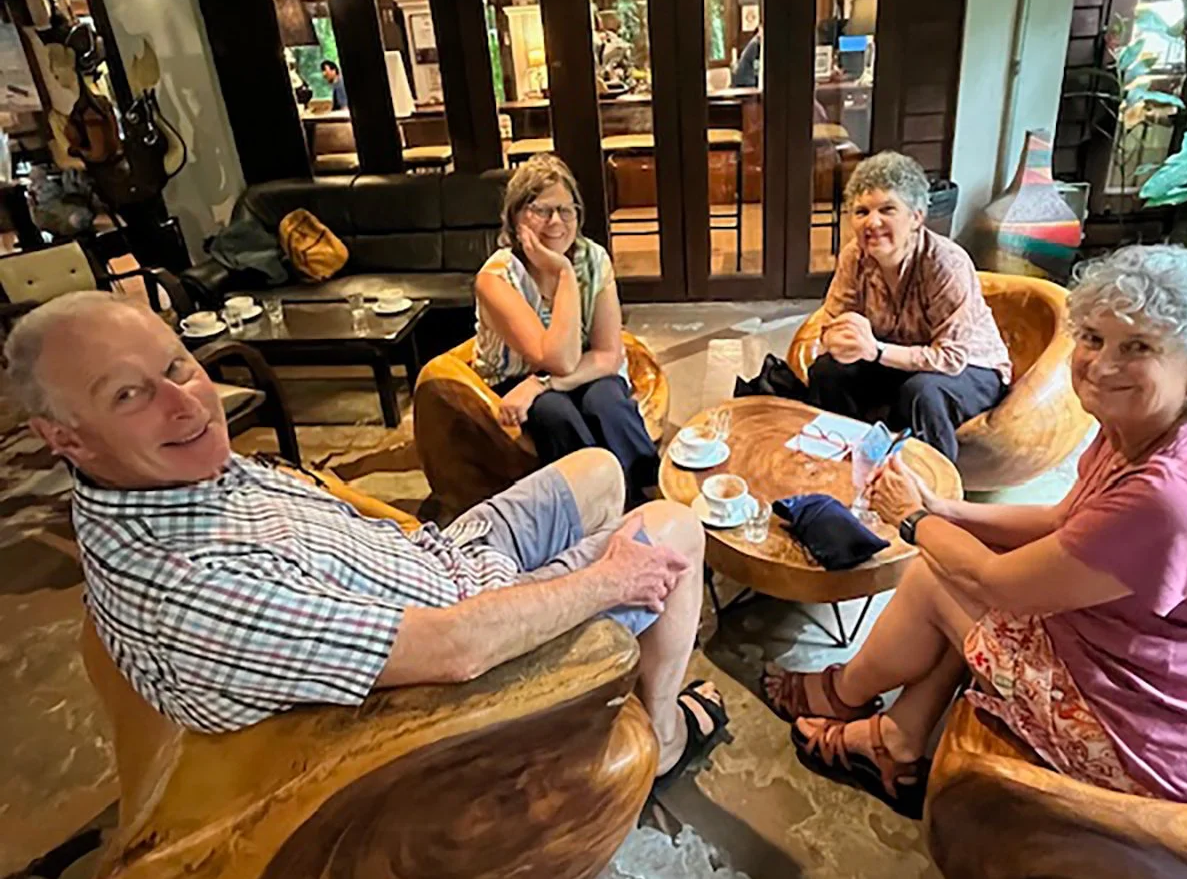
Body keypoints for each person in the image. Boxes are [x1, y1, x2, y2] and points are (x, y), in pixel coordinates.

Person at [4, 292, 729, 787]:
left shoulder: (170, 483)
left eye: (175, 367)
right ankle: (659, 736)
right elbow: (453, 651)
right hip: (473, 637)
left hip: (437, 559)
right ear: (64, 437)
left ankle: (604, 681)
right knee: (672, 530)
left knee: (601, 471)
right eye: (128, 395)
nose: (185, 403)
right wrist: (609, 579)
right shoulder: (189, 586)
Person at [764, 246, 1187, 816]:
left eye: (1139, 348)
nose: (1102, 365)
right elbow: (1066, 523)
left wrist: (915, 519)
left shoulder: (1173, 498)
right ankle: (896, 742)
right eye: (1092, 338)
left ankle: (840, 694)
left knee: (938, 578)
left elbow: (997, 584)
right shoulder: (1157, 432)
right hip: (1181, 679)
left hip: (1169, 742)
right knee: (954, 563)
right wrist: (948, 509)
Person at [474, 154, 659, 500]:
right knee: (556, 414)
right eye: (541, 210)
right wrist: (563, 274)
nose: (556, 221)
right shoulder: (496, 277)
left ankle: (647, 492)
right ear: (516, 218)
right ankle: (594, 505)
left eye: (566, 209)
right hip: (516, 377)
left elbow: (606, 355)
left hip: (578, 368)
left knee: (608, 402)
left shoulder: (593, 258)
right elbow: (556, 358)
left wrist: (541, 384)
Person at [807, 151, 1011, 461]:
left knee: (921, 393)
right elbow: (832, 320)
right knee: (827, 371)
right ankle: (847, 464)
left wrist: (875, 350)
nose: (872, 222)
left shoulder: (945, 263)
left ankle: (935, 494)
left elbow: (951, 357)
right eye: (861, 212)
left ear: (916, 216)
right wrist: (836, 339)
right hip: (896, 356)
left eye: (887, 209)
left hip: (969, 367)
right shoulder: (854, 256)